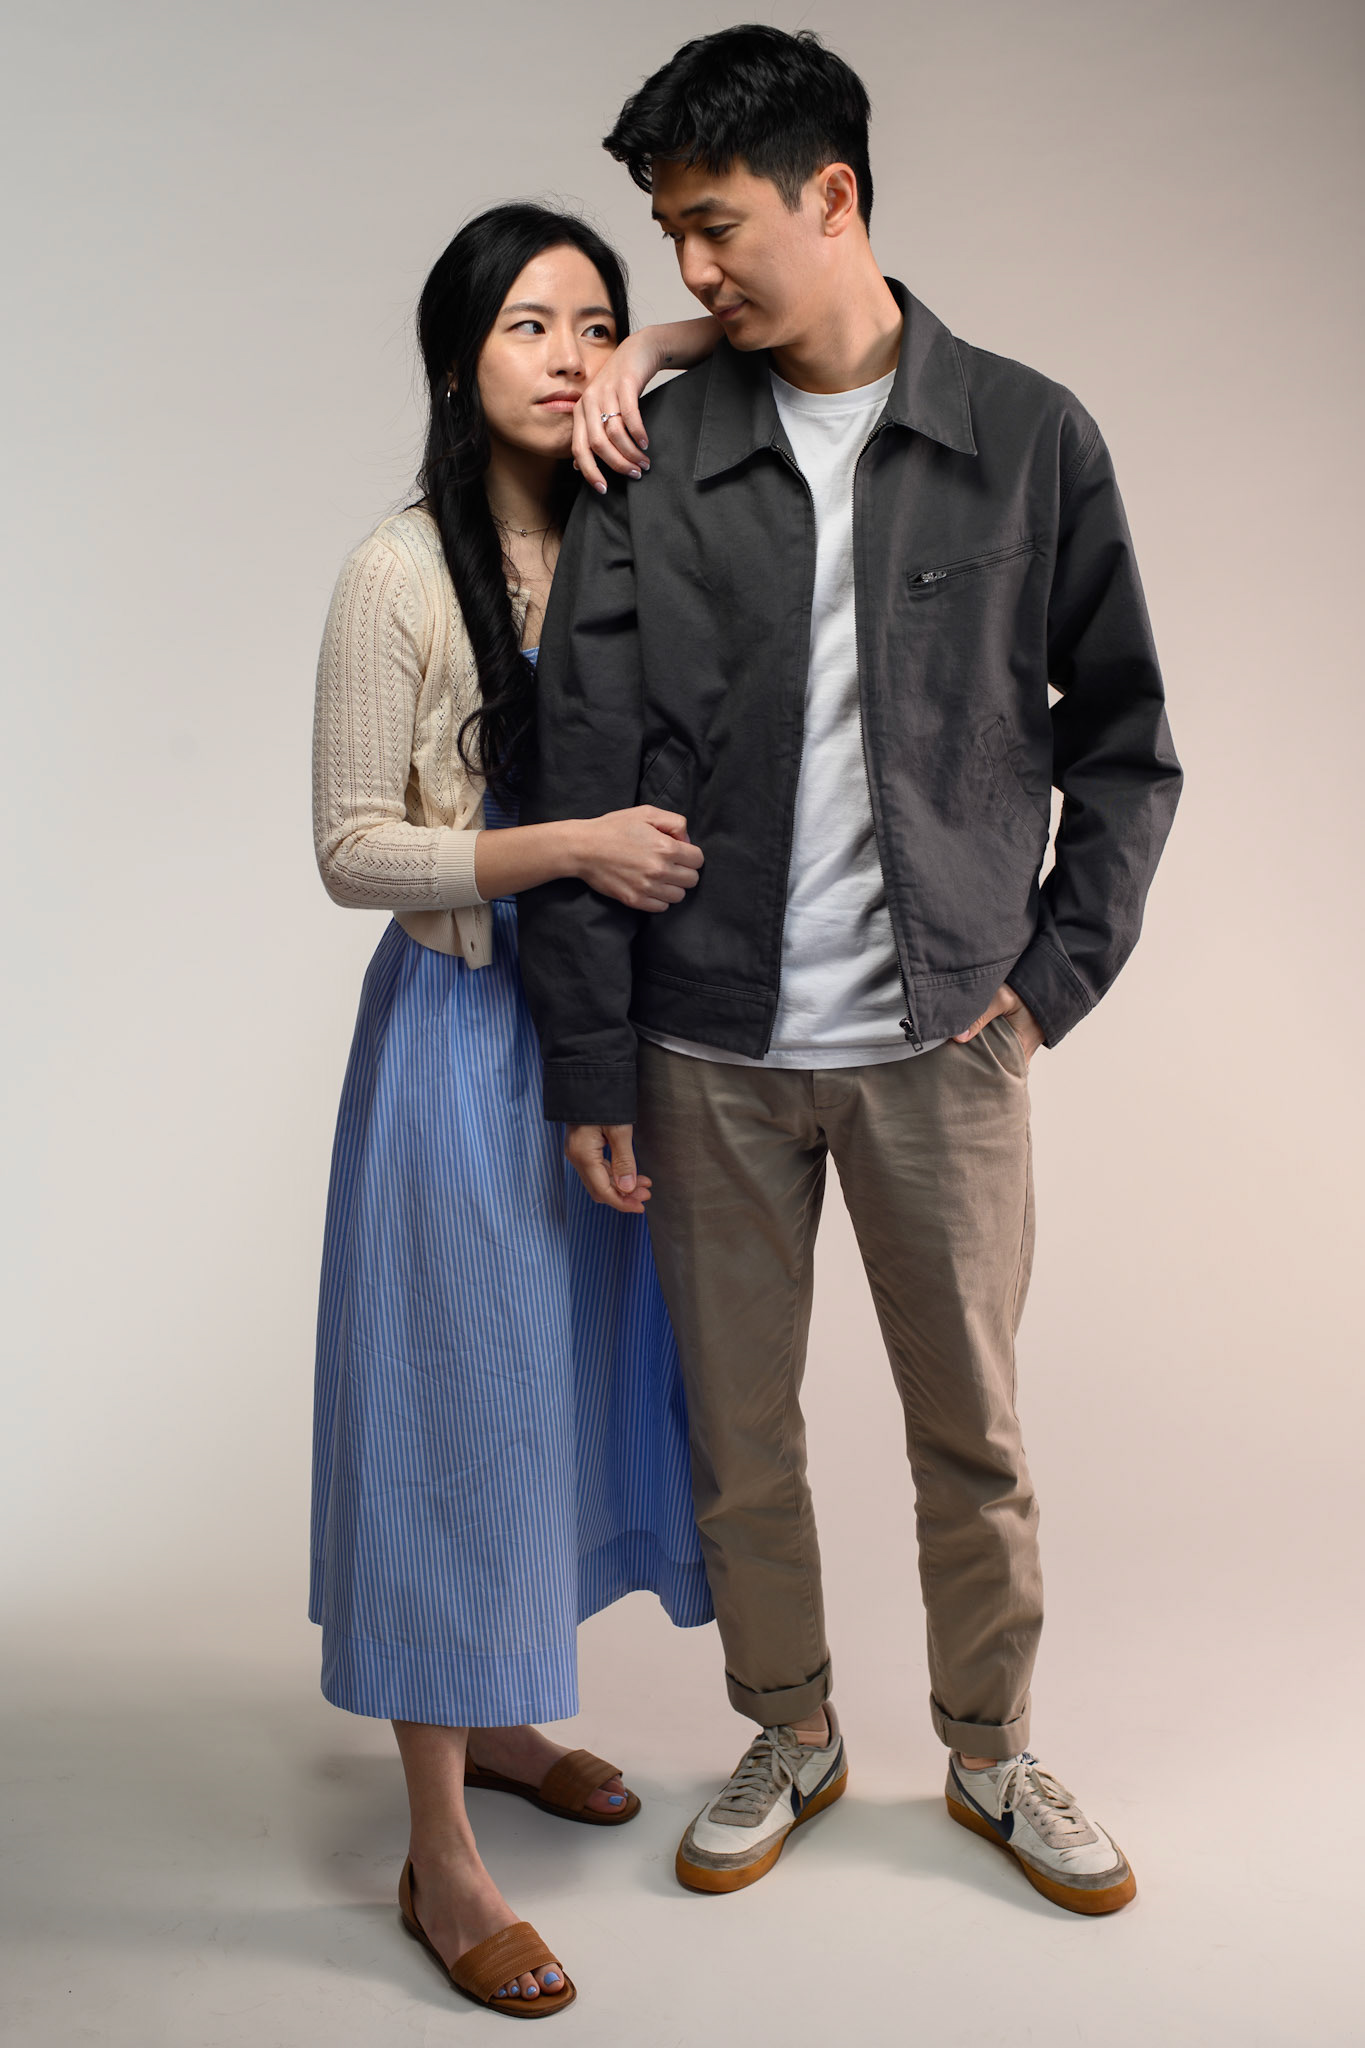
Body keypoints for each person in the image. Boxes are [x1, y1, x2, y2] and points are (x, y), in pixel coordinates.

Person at [519, 26, 1182, 1919]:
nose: (687, 267)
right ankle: (788, 1731)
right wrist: (590, 1062)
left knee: (971, 1436)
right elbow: (580, 763)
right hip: (702, 1041)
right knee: (740, 1440)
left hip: (942, 1039)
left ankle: (989, 1753)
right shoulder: (651, 453)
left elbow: (1125, 743)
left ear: (832, 195)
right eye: (668, 233)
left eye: (712, 225)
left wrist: (1046, 979)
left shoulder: (1026, 436)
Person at [309, 202, 719, 2019]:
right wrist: (569, 847)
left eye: (596, 324)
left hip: (602, 1038)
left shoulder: (621, 533)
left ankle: (492, 1720)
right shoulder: (400, 570)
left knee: (553, 1390)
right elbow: (348, 849)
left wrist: (662, 347)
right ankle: (436, 1851)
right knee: (451, 1410)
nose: (568, 358)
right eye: (527, 326)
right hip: (464, 1040)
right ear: (456, 357)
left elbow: (747, 336)